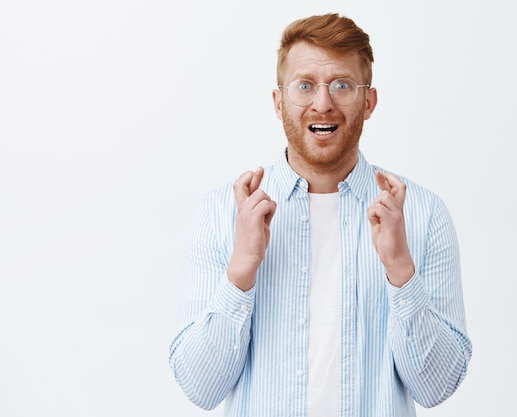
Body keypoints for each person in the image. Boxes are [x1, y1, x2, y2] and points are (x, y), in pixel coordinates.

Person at [169, 12, 472, 417]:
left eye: (342, 85)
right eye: (305, 86)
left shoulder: (422, 214)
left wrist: (401, 270)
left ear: (369, 102)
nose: (323, 103)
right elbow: (200, 387)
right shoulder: (222, 214)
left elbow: (435, 388)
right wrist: (242, 268)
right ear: (279, 102)